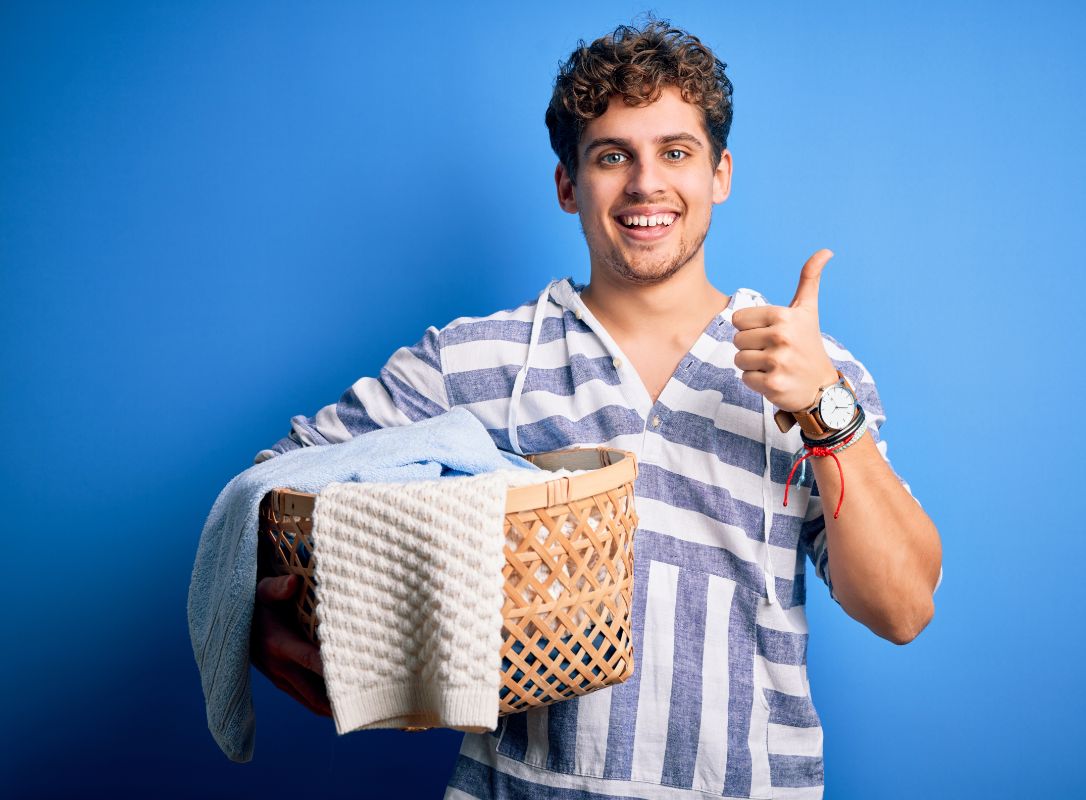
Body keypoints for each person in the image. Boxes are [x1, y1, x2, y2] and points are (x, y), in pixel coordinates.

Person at [249, 17, 942, 799]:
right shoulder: (476, 361)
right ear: (567, 185)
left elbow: (903, 609)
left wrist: (825, 408)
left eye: (676, 152)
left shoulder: (809, 366)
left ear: (719, 174)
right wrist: (262, 610)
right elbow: (276, 482)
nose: (646, 183)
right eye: (613, 156)